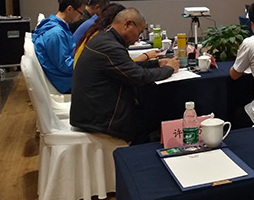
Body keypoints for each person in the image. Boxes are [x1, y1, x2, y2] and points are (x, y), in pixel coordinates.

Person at [70, 8, 179, 142]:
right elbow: (139, 76)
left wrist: (157, 63)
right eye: (139, 33)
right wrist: (169, 69)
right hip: (99, 120)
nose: (137, 40)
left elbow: (128, 67)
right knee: (157, 115)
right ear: (128, 24)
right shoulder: (109, 46)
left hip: (91, 112)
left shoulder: (104, 38)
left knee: (151, 111)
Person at [32, 0, 87, 93]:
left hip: (65, 78)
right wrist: (87, 61)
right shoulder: (56, 33)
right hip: (66, 83)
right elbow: (65, 66)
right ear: (69, 9)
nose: (82, 17)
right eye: (81, 13)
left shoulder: (55, 26)